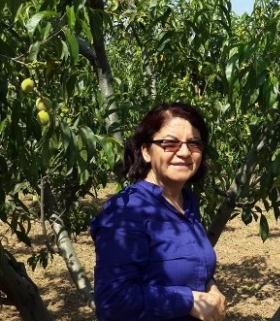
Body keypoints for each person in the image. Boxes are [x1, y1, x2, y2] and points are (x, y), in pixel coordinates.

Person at [91, 103, 227, 321]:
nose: (184, 152)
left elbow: (195, 266)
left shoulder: (187, 201)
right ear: (145, 151)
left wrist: (211, 288)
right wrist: (190, 301)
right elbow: (113, 301)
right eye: (169, 143)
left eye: (194, 143)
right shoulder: (126, 213)